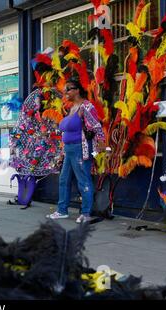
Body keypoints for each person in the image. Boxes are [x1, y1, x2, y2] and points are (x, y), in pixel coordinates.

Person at [46, 79, 106, 223]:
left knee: (83, 180)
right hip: (68, 150)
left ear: (78, 90)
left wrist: (101, 143)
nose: (66, 92)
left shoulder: (86, 106)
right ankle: (62, 210)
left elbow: (96, 126)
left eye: (69, 89)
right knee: (63, 179)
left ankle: (86, 213)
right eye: (65, 89)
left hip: (81, 149)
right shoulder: (71, 107)